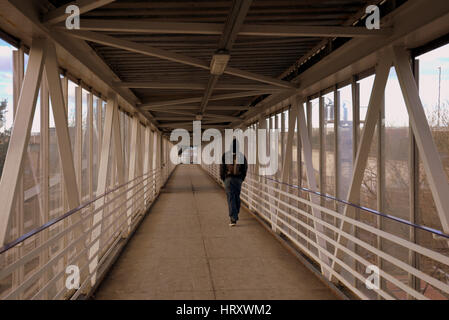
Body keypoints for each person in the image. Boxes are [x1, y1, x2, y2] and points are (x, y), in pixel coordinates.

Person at [220, 139, 248, 227]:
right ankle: (236, 211)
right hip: (238, 179)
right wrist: (242, 178)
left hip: (228, 179)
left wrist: (223, 178)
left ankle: (233, 218)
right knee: (236, 196)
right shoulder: (241, 156)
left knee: (230, 197)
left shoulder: (225, 155)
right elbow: (245, 168)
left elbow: (222, 167)